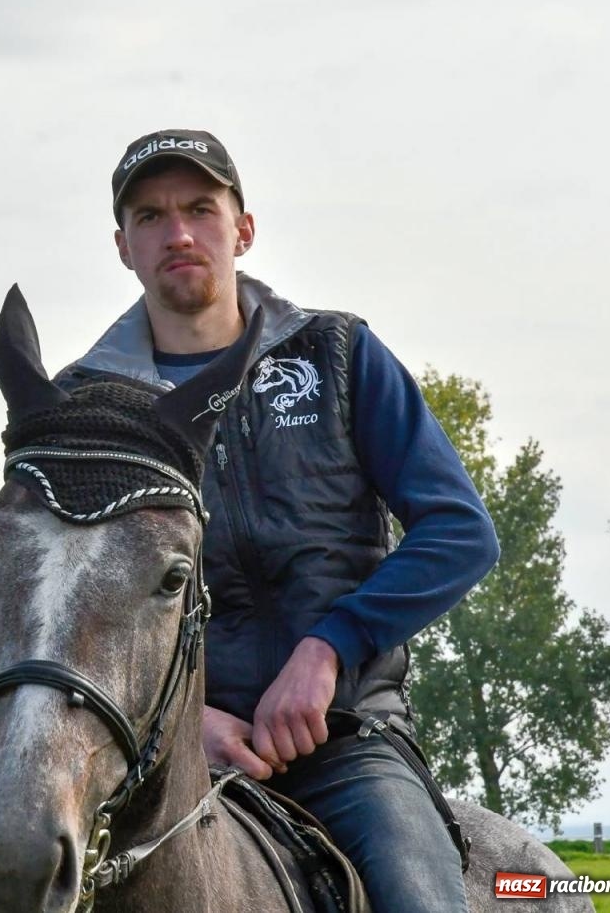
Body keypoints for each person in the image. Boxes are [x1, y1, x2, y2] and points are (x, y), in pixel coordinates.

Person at [54, 129, 500, 913]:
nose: (179, 233)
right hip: (156, 760)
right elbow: (61, 603)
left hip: (348, 745)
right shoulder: (87, 406)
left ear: (243, 230)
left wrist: (330, 647)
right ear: (123, 246)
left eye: (200, 208)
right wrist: (183, 721)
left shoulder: (338, 354)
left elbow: (460, 531)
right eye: (151, 217)